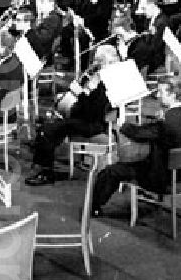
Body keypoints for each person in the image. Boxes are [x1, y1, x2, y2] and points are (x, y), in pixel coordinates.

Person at [91, 77, 181, 215]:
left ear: (172, 95)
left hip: (163, 177)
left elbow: (140, 133)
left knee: (111, 171)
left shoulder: (166, 123)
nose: (157, 95)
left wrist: (123, 125)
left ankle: (94, 207)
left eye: (161, 92)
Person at [24, 44, 120, 185]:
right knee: (50, 125)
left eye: (98, 61)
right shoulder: (101, 77)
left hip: (92, 124)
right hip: (84, 117)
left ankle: (45, 171)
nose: (94, 63)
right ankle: (42, 153)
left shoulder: (106, 82)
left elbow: (92, 111)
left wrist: (80, 93)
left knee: (50, 129)